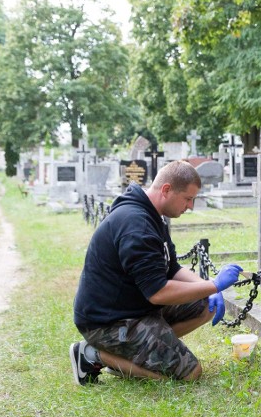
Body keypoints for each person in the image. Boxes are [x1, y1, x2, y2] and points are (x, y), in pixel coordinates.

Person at [70, 160, 243, 385]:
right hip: (108, 322)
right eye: (188, 199)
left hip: (136, 307)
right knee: (191, 373)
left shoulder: (153, 216)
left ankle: (136, 354)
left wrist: (208, 288)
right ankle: (93, 355)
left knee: (204, 305)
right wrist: (214, 285)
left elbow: (172, 268)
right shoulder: (136, 225)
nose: (190, 206)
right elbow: (158, 292)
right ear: (166, 190)